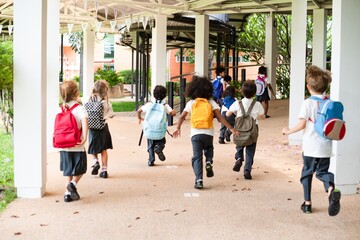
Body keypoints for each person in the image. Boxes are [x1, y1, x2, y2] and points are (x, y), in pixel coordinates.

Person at [282, 65, 341, 216]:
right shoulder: (329, 102)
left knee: (307, 173)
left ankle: (307, 204)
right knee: (322, 172)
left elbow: (302, 125)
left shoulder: (308, 103)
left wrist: (288, 131)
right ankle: (330, 190)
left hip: (310, 147)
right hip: (325, 147)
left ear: (308, 87)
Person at [173, 76, 239, 189]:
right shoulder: (211, 102)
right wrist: (231, 129)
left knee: (197, 157)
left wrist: (177, 128)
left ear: (193, 89)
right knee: (209, 148)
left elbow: (182, 117)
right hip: (208, 133)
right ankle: (208, 161)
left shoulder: (192, 103)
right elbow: (220, 118)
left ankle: (199, 180)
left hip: (195, 133)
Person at [226, 80, 265, 180]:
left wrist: (236, 113)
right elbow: (263, 116)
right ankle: (247, 170)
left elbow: (227, 114)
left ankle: (239, 158)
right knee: (250, 150)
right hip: (253, 130)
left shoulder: (237, 103)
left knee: (239, 144)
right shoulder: (257, 104)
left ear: (242, 92)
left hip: (239, 129)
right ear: (255, 92)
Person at [58, 80, 88, 202]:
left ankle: (67, 194)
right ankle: (73, 184)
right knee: (81, 169)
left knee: (68, 170)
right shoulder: (80, 109)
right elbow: (85, 123)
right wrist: (85, 138)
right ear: (76, 93)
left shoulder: (60, 109)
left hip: (64, 145)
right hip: (77, 145)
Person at [138, 85, 176, 166]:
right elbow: (173, 113)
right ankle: (159, 148)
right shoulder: (164, 105)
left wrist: (140, 118)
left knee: (150, 145)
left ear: (153, 95)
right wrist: (174, 110)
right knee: (162, 141)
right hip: (160, 129)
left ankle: (151, 160)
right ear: (164, 96)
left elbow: (139, 111)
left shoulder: (149, 104)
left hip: (150, 128)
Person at [88, 80, 114, 179]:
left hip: (92, 128)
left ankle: (95, 162)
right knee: (103, 150)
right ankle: (104, 171)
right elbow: (111, 115)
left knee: (93, 147)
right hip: (103, 127)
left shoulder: (90, 100)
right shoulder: (106, 103)